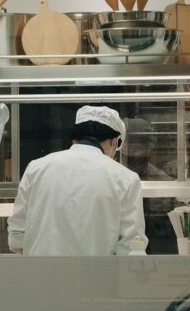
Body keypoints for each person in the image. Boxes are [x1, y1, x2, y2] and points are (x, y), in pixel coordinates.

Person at [8, 106, 147, 256]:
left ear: (74, 138)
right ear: (114, 142)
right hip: (97, 277)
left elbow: (17, 237)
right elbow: (132, 248)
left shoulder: (36, 168)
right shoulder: (126, 178)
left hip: (42, 276)